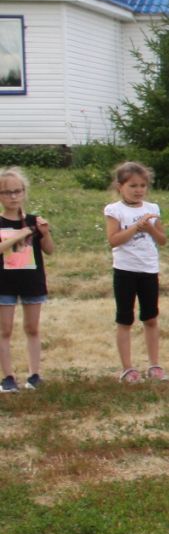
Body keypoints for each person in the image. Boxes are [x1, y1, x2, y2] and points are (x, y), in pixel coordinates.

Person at [104, 161, 167, 383]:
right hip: (125, 271)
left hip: (148, 270)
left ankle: (154, 364)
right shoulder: (114, 210)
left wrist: (150, 227)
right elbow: (113, 240)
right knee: (125, 319)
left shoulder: (152, 209)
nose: (138, 190)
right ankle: (128, 368)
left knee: (150, 317)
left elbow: (162, 239)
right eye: (133, 185)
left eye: (142, 185)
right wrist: (135, 228)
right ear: (120, 186)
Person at [0, 168, 54, 392]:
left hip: (32, 281)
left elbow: (49, 250)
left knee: (32, 328)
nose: (13, 196)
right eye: (6, 192)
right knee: (5, 329)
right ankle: (8, 377)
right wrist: (20, 235)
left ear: (24, 192)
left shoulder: (33, 220)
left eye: (17, 191)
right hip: (4, 283)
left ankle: (34, 374)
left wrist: (45, 232)